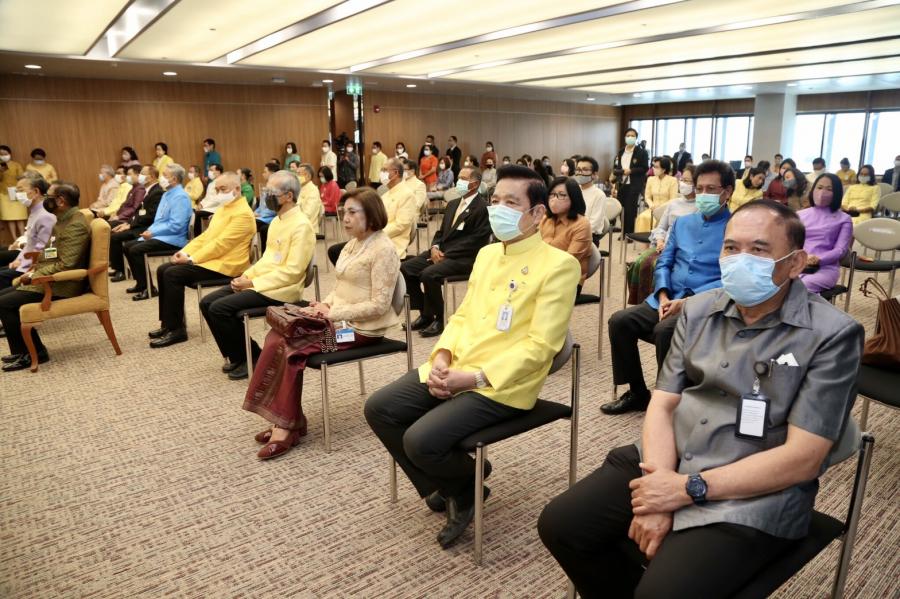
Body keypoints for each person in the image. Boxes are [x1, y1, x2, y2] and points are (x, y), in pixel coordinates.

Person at [539, 199, 864, 599]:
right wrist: (660, 490)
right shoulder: (697, 312)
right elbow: (663, 404)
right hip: (670, 453)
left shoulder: (833, 334)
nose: (740, 259)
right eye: (731, 248)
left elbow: (803, 458)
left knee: (664, 593)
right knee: (562, 525)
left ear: (795, 263)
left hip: (755, 489)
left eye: (758, 250)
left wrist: (687, 488)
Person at [365, 164, 580, 549]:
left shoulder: (560, 265)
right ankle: (458, 478)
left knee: (419, 441)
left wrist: (473, 378)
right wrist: (443, 356)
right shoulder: (488, 254)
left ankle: (463, 489)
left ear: (537, 213)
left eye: (511, 203)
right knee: (380, 408)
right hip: (457, 364)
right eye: (495, 200)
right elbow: (463, 315)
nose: (498, 209)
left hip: (502, 384)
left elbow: (541, 347)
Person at [247, 187, 399, 457]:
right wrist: (324, 304)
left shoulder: (383, 249)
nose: (345, 218)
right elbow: (340, 287)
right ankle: (289, 419)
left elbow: (380, 305)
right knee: (276, 336)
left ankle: (287, 425)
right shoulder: (353, 244)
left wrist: (332, 313)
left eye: (352, 212)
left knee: (292, 348)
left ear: (372, 214)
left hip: (361, 331)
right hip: (338, 323)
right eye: (343, 212)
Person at [602, 160, 734, 415]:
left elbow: (730, 277)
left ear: (727, 191)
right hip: (667, 297)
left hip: (706, 302)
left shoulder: (735, 229)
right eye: (699, 188)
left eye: (711, 189)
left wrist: (687, 302)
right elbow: (664, 262)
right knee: (620, 321)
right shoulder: (683, 223)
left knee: (665, 331)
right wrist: (663, 294)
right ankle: (638, 393)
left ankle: (670, 402)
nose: (703, 194)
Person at [200, 170, 316, 381]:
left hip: (282, 290)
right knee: (207, 302)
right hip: (263, 282)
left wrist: (253, 282)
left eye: (271, 192)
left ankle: (252, 357)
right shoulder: (277, 221)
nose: (266, 196)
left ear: (288, 196)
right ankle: (237, 355)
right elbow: (267, 259)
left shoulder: (301, 225)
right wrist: (245, 276)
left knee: (219, 309)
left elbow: (292, 272)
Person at [148, 172, 255, 348]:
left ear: (237, 189)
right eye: (217, 190)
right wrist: (184, 252)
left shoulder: (243, 214)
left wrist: (191, 259)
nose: (219, 194)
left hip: (227, 265)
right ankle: (168, 323)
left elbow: (222, 245)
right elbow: (206, 237)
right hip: (213, 260)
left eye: (223, 189)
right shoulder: (224, 208)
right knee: (163, 269)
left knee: (173, 274)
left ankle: (177, 330)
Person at [0, 183, 89, 372]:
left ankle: (33, 353)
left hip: (62, 283)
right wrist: (33, 268)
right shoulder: (64, 219)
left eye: (48, 197)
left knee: (5, 303)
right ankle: (26, 350)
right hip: (50, 276)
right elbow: (51, 253)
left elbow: (67, 264)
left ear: (60, 201)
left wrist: (35, 274)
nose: (45, 200)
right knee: (4, 297)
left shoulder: (75, 224)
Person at [401, 166, 490, 338]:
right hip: (441, 251)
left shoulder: (483, 208)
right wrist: (435, 247)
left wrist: (446, 255)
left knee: (428, 274)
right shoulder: (453, 204)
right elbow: (441, 233)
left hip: (464, 258)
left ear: (475, 184)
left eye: (463, 179)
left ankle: (440, 319)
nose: (459, 182)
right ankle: (426, 313)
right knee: (406, 268)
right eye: (459, 177)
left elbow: (476, 241)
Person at [123, 164, 193, 300]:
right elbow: (159, 220)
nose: (161, 178)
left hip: (173, 238)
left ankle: (148, 289)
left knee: (136, 250)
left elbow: (177, 225)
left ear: (174, 179)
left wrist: (153, 233)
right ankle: (141, 284)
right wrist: (150, 231)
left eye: (165, 175)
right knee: (128, 247)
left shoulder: (180, 196)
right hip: (161, 234)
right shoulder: (167, 194)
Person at [799, 173, 852, 294]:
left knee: (802, 287)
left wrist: (818, 259)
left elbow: (840, 250)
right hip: (798, 263)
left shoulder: (844, 219)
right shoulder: (800, 215)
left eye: (829, 189)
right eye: (819, 187)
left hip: (825, 268)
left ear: (837, 193)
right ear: (813, 189)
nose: (822, 192)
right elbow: (790, 243)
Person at [1, 175, 55, 290]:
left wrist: (22, 263)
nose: (17, 194)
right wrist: (18, 260)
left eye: (20, 190)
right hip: (26, 262)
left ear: (36, 191)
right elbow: (30, 243)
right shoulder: (35, 211)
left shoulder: (45, 215)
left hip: (35, 267)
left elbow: (42, 249)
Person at [109, 165, 161, 282]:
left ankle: (123, 272)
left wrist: (130, 225)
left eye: (142, 173)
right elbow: (138, 213)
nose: (140, 176)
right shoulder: (148, 190)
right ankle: (124, 272)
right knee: (115, 235)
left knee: (117, 239)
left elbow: (150, 216)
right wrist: (127, 224)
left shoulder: (156, 192)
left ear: (151, 177)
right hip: (140, 224)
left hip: (147, 227)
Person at [541, 177, 593, 294]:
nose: (554, 199)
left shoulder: (582, 224)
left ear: (573, 198)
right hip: (541, 272)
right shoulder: (545, 219)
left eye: (562, 195)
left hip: (567, 278)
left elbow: (569, 261)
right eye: (552, 194)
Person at [650, 164, 698, 251]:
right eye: (681, 180)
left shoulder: (700, 206)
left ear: (696, 184)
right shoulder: (673, 203)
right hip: (665, 246)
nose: (682, 183)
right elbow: (661, 227)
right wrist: (660, 241)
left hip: (684, 249)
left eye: (686, 180)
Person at [613, 128, 650, 234]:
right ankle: (623, 231)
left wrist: (631, 171)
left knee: (630, 209)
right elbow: (617, 166)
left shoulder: (642, 152)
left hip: (634, 184)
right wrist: (618, 176)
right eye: (628, 135)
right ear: (625, 137)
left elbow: (645, 168)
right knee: (621, 208)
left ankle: (629, 233)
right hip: (622, 183)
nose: (630, 137)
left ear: (636, 138)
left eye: (632, 136)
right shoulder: (621, 151)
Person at [574, 156, 609, 246]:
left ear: (594, 174)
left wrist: (573, 232)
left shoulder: (599, 195)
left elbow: (593, 225)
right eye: (578, 169)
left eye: (585, 170)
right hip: (571, 231)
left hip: (588, 236)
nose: (580, 173)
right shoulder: (573, 190)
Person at [636, 157, 678, 232]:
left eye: (657, 167)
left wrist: (660, 208)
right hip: (653, 209)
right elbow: (647, 196)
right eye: (654, 166)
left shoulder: (673, 180)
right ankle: (643, 239)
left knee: (657, 220)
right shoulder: (650, 179)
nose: (654, 169)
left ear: (664, 169)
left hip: (666, 210)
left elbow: (673, 199)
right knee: (642, 217)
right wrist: (651, 205)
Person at [1, 146, 26, 239]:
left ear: (10, 154)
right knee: (10, 217)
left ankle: (23, 237)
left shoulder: (16, 165)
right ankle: (14, 238)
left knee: (19, 216)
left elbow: (22, 177)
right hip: (4, 193)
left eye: (5, 154)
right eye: (1, 154)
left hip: (17, 192)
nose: (3, 156)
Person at [293, 163, 321, 231]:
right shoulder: (299, 188)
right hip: (297, 223)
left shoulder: (313, 190)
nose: (296, 176)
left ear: (308, 176)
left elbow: (308, 213)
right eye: (296, 174)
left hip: (307, 227)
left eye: (299, 174)